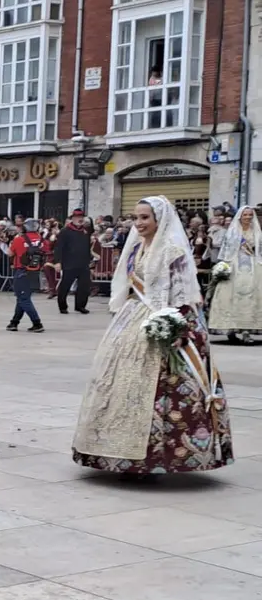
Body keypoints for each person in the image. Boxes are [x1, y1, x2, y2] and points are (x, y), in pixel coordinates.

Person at [72, 196, 232, 474]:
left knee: (164, 387)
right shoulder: (135, 248)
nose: (139, 223)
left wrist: (178, 327)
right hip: (133, 317)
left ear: (160, 219)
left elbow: (183, 294)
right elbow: (129, 286)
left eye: (145, 217)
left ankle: (156, 457)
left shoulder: (173, 251)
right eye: (136, 217)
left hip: (164, 320)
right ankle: (114, 450)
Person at [208, 207, 261, 343]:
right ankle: (231, 329)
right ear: (240, 216)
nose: (248, 217)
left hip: (253, 266)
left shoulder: (256, 231)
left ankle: (247, 330)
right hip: (234, 266)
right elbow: (226, 251)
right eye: (245, 214)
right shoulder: (233, 232)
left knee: (251, 297)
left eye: (250, 215)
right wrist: (223, 267)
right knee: (228, 296)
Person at [5, 221, 46, 333]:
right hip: (35, 271)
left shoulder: (19, 239)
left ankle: (37, 323)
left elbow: (9, 253)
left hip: (22, 271)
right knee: (22, 297)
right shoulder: (41, 240)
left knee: (24, 299)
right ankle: (14, 322)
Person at [56, 210, 94, 314]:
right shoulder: (65, 231)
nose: (79, 219)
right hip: (69, 263)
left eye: (81, 217)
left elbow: (88, 245)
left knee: (84, 286)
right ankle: (63, 306)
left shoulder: (85, 230)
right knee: (65, 285)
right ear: (72, 218)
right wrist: (58, 261)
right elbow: (59, 247)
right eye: (77, 217)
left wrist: (89, 260)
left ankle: (80, 306)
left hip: (83, 263)